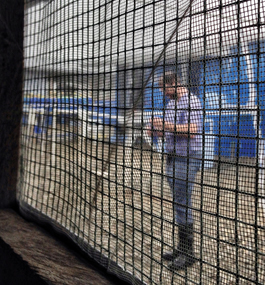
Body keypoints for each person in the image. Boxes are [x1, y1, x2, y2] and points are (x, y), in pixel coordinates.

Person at [147, 71, 202, 271]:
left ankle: (189, 254)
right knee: (178, 203)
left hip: (186, 158)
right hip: (172, 157)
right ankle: (182, 249)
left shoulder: (192, 101)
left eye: (165, 89)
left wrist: (165, 124)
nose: (164, 94)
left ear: (174, 84)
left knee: (182, 203)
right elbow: (170, 131)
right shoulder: (171, 104)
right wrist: (156, 130)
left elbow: (192, 129)